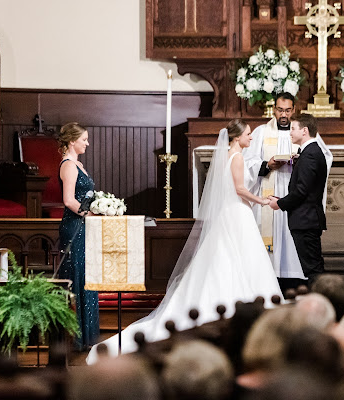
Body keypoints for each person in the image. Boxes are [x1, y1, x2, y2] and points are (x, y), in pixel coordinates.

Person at [87, 119, 283, 363]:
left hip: (231, 213)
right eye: (248, 134)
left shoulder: (227, 156)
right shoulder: (238, 157)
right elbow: (239, 189)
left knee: (226, 259)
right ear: (236, 137)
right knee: (238, 258)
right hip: (237, 213)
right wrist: (262, 200)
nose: (251, 138)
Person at [244, 93, 332, 287]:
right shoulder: (261, 132)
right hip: (272, 188)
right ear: (274, 109)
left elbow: (324, 158)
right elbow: (247, 162)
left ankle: (297, 279)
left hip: (296, 200)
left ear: (294, 110)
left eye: (287, 110)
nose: (283, 114)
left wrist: (299, 161)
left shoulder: (307, 135)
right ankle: (271, 278)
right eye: (280, 110)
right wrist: (268, 164)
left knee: (306, 256)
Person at [269, 113, 329, 285]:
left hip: (306, 220)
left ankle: (321, 306)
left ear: (304, 131)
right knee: (312, 267)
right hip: (306, 218)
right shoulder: (309, 152)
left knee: (313, 270)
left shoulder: (310, 154)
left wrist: (279, 204)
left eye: (293, 128)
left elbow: (302, 191)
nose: (290, 132)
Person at [57, 122, 99, 350]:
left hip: (83, 225)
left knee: (86, 276)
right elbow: (68, 200)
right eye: (84, 139)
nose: (87, 143)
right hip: (74, 226)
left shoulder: (78, 164)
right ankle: (76, 339)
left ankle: (88, 336)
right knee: (77, 276)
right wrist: (91, 213)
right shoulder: (68, 166)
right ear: (72, 141)